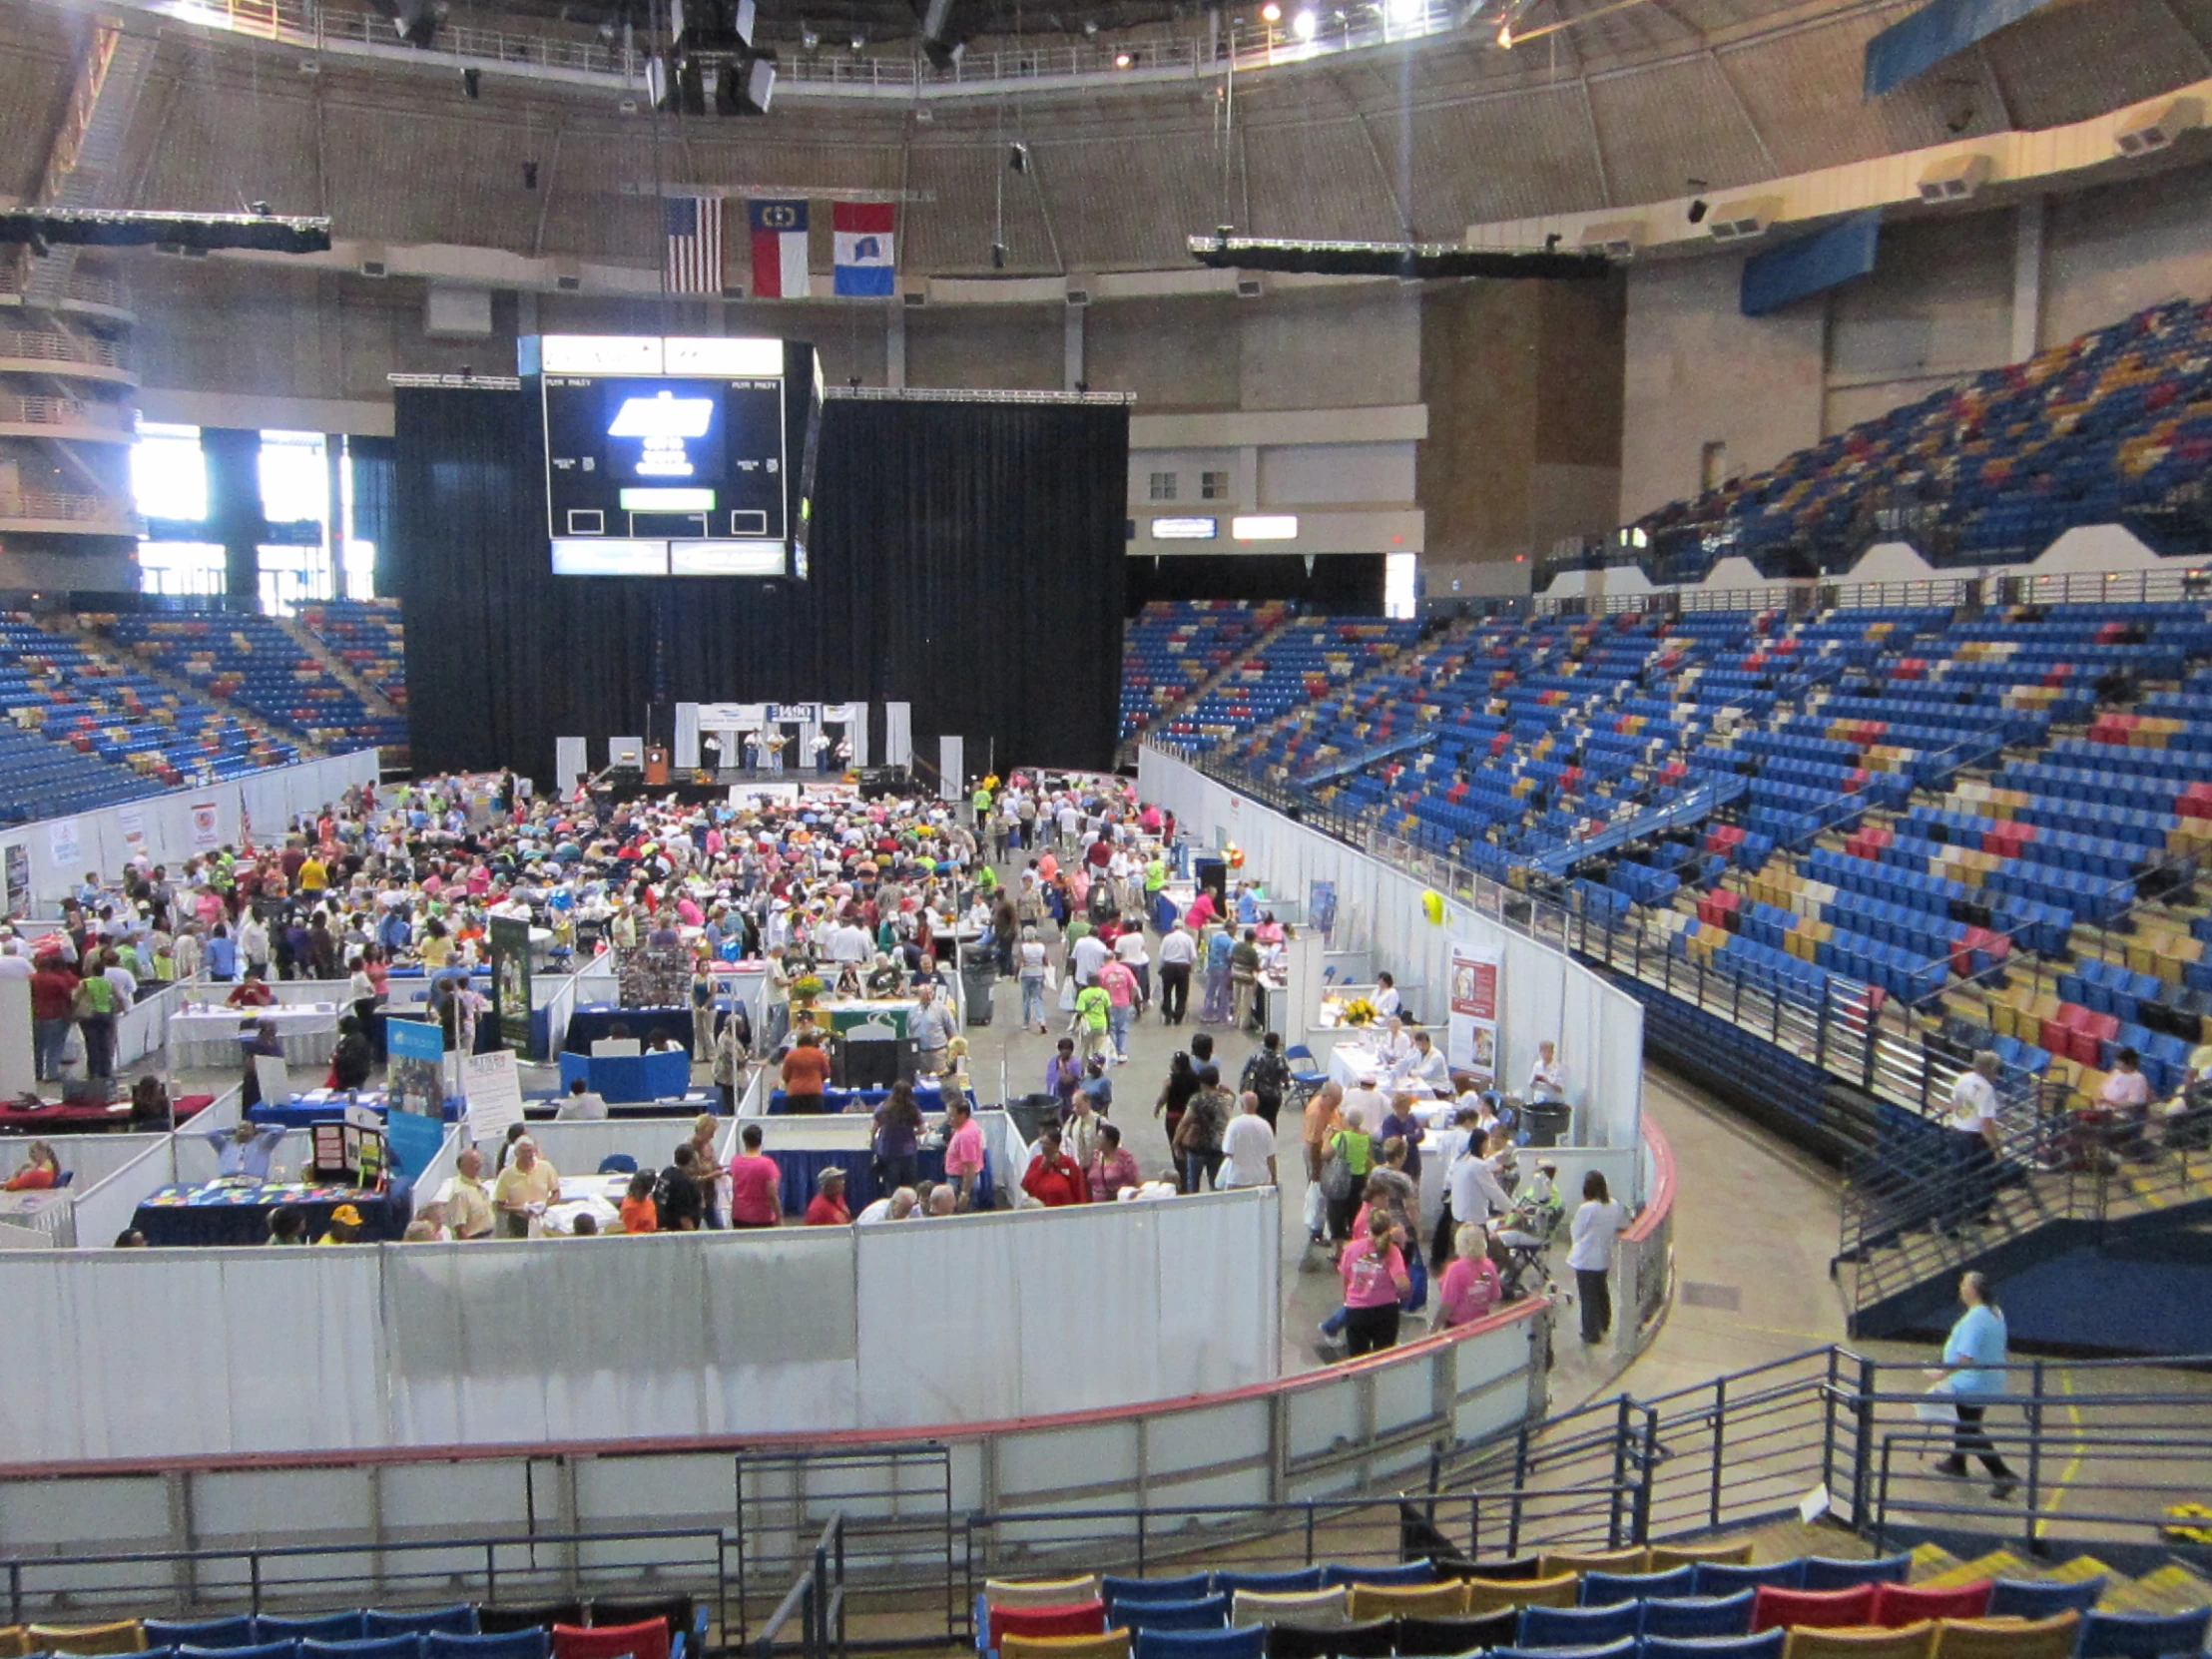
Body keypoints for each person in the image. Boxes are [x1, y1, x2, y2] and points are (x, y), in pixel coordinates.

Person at [1929, 1271, 2020, 1501]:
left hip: (1972, 1381)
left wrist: (1942, 1372)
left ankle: (2002, 1474)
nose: (1960, 1287)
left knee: (1969, 1427)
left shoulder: (1977, 1317)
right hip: (1989, 1379)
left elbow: (1966, 1356)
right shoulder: (1994, 1312)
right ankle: (1957, 1462)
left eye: (1964, 1284)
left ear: (1972, 1290)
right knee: (1967, 1422)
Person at [1337, 1207, 1411, 1358]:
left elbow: (1345, 1277)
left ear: (1368, 1227)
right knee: (1383, 1358)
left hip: (1356, 1310)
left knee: (1357, 1360)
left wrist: (1347, 1299)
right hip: (1385, 1310)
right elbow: (1402, 1284)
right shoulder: (1392, 1251)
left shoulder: (1351, 1248)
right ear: (1389, 1227)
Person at [1942, 1050, 2002, 1235]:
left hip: (1956, 1131)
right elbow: (1986, 1124)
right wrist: (1996, 1147)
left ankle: (1951, 1222)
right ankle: (1979, 1213)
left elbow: (1954, 1104)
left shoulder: (1964, 1078)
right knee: (1989, 1175)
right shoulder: (1986, 1089)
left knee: (1957, 1178)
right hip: (1973, 1138)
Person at [1568, 1169, 1629, 1347]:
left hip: (1585, 1258)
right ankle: (1604, 1323)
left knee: (1587, 1297)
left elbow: (1576, 1232)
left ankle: (1590, 1333)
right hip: (1603, 1255)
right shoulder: (1614, 1205)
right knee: (1601, 1291)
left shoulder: (1586, 1208)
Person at [1174, 1064, 1231, 1193]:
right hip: (1217, 1147)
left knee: (1193, 1185)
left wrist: (1176, 1143)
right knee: (1215, 1185)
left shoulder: (1197, 1100)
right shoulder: (1227, 1099)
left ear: (1201, 1082)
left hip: (1197, 1146)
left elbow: (1185, 1122)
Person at [491, 1136, 559, 1238]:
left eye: (530, 1151)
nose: (528, 1155)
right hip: (518, 1222)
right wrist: (519, 1209)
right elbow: (499, 1204)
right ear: (516, 1154)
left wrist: (545, 1205)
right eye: (524, 1152)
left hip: (543, 1219)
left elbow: (556, 1193)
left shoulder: (546, 1167)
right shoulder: (506, 1174)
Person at [1437, 1221, 1503, 1327]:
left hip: (1458, 1325)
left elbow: (1447, 1304)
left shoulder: (1455, 1269)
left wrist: (1434, 1328)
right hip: (1480, 1323)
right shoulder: (1487, 1266)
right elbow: (1494, 1297)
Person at [872, 1079, 924, 1195]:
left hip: (887, 1151)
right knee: (909, 1187)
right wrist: (910, 1133)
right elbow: (922, 1129)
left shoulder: (883, 1107)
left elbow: (874, 1128)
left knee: (892, 1186)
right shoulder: (913, 1109)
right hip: (908, 1152)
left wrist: (873, 1142)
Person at [1219, 1091, 1279, 1190]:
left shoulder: (1234, 1124)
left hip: (1238, 1178)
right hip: (1261, 1179)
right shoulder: (1265, 1125)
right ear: (1257, 1105)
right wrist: (1274, 1179)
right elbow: (1271, 1156)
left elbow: (1227, 1152)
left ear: (1241, 1105)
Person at [728, 1123, 783, 1228]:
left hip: (739, 1214)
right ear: (760, 1141)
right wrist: (779, 1216)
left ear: (744, 1141)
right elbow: (772, 1195)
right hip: (761, 1216)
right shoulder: (767, 1164)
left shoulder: (735, 1161)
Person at [1021, 1125, 1090, 1207]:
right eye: (1042, 1144)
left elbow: (1079, 1189)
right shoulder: (1036, 1161)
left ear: (1056, 1146)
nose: (1043, 1147)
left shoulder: (1068, 1163)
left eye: (1047, 1144)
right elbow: (1027, 1185)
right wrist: (1042, 1169)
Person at [440, 1147, 496, 1240]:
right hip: (475, 1241)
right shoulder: (460, 1193)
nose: (479, 1166)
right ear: (463, 1165)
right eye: (475, 1163)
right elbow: (460, 1229)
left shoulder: (478, 1186)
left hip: (488, 1237)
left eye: (479, 1162)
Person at [1240, 1032, 1292, 1131]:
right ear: (1277, 1044)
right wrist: (1286, 1085)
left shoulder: (1256, 1057)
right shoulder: (1280, 1059)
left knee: (1257, 1119)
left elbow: (1245, 1072)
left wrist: (1243, 1087)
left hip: (1258, 1093)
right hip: (1274, 1096)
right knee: (1272, 1120)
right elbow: (1285, 1076)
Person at [943, 1096, 986, 1212]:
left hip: (960, 1181)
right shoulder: (970, 1124)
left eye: (951, 1116)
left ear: (962, 1115)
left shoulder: (965, 1136)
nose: (949, 1119)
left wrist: (964, 1193)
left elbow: (969, 1167)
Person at [653, 1144, 706, 1231]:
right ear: (692, 1161)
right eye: (697, 1160)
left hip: (661, 1227)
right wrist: (693, 1239)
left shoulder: (667, 1172)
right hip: (677, 1233)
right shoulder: (684, 1183)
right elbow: (684, 1217)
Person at [911, 982, 958, 1078]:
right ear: (919, 995)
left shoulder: (942, 1009)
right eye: (925, 994)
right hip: (920, 1054)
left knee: (941, 1081)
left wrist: (954, 1052)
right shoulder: (912, 1012)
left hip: (938, 1053)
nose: (928, 996)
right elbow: (909, 1030)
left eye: (930, 993)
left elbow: (952, 1029)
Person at [781, 1030, 833, 1114]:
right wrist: (819, 1080)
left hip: (795, 1094)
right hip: (814, 1093)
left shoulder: (791, 1055)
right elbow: (827, 1073)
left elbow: (785, 1075)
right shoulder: (819, 1054)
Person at [1087, 1120, 1141, 1200]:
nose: (1097, 1141)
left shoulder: (1125, 1158)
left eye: (1100, 1138)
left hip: (1119, 1203)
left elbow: (1135, 1182)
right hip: (1097, 1205)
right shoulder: (1095, 1156)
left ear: (1109, 1141)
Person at [1156, 921, 1196, 1026]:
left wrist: (1161, 967)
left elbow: (1161, 955)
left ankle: (1168, 1013)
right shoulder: (1188, 939)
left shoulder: (1167, 938)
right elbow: (1193, 956)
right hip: (1183, 966)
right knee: (1182, 993)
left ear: (1173, 927)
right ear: (1182, 927)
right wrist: (1190, 965)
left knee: (1167, 992)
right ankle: (1178, 1016)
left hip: (1169, 966)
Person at [1016, 925, 1050, 1034]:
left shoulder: (1023, 947)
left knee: (1026, 998)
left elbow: (1019, 963)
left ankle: (1026, 1022)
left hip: (1026, 974)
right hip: (1039, 974)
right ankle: (1042, 1021)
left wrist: (1015, 975)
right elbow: (1046, 961)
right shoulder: (1041, 946)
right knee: (1037, 998)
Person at [1073, 979, 1113, 1065]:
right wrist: (1109, 1027)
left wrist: (1076, 1023)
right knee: (1098, 1051)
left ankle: (1082, 1069)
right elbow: (1108, 1011)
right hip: (1101, 1025)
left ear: (1088, 982)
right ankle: (1097, 1070)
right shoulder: (1104, 993)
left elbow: (1080, 1011)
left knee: (1085, 1049)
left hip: (1087, 1026)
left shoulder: (1083, 994)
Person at [329, 1015, 373, 1092]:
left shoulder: (358, 1040)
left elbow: (352, 1059)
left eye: (341, 1026)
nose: (339, 1028)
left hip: (353, 1075)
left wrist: (338, 1057)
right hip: (346, 1074)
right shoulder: (350, 1038)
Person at [1527, 1039, 1565, 1105]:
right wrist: (1535, 1079)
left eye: (1548, 1052)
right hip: (1539, 1102)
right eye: (1544, 1052)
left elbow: (1560, 1089)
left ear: (1552, 1052)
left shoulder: (1559, 1067)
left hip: (1553, 1102)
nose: (1546, 1055)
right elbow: (1531, 1085)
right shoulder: (1537, 1065)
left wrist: (1547, 1081)